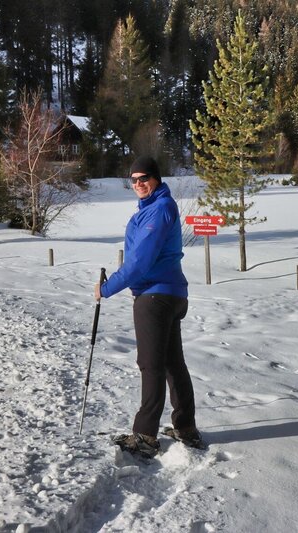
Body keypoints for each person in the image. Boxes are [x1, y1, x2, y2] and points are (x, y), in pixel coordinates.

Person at [94, 156, 202, 458]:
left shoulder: (159, 209)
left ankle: (145, 437)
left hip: (156, 297)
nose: (139, 183)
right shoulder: (155, 208)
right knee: (171, 363)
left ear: (156, 179)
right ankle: (185, 427)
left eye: (145, 178)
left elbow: (140, 262)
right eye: (134, 179)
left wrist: (106, 288)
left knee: (151, 365)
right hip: (168, 293)